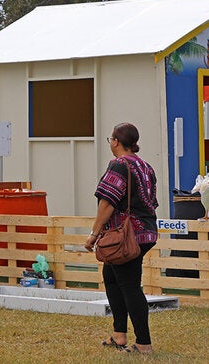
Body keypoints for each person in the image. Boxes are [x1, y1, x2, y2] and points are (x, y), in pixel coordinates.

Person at [85, 123, 157, 354]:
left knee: (129, 286)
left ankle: (143, 343)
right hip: (145, 232)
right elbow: (151, 202)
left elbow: (107, 201)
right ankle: (119, 334)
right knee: (111, 276)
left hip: (126, 237)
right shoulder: (145, 167)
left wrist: (94, 234)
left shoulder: (119, 164)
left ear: (116, 141)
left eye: (111, 139)